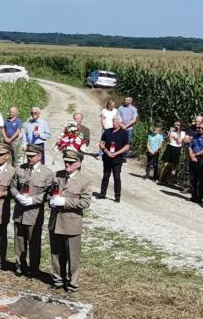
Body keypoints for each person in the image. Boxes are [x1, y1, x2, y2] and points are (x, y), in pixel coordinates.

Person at [49, 149, 96, 292]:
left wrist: (65, 201)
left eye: (71, 162)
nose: (67, 164)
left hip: (71, 222)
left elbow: (85, 203)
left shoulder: (85, 181)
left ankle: (72, 283)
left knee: (72, 255)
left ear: (79, 163)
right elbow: (50, 193)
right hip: (56, 221)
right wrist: (51, 200)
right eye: (66, 161)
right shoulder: (58, 175)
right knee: (56, 253)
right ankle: (58, 280)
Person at [11, 144, 54, 278]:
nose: (29, 158)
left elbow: (50, 193)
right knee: (19, 241)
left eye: (32, 156)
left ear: (39, 156)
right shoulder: (20, 169)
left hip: (34, 214)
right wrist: (17, 196)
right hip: (19, 212)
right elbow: (12, 186)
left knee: (34, 242)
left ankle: (33, 269)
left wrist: (34, 200)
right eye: (28, 156)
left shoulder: (47, 173)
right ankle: (20, 266)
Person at [96, 116, 130, 202]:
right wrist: (106, 151)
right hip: (107, 157)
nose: (114, 123)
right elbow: (101, 143)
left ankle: (117, 196)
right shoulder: (107, 131)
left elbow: (127, 146)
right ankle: (102, 193)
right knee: (105, 176)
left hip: (118, 158)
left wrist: (116, 153)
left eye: (116, 121)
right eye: (113, 121)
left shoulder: (124, 133)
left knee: (117, 177)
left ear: (120, 122)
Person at [159, 121, 185, 185]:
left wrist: (177, 134)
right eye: (175, 125)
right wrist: (170, 134)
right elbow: (170, 141)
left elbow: (179, 142)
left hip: (177, 149)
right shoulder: (172, 131)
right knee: (165, 164)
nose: (176, 126)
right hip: (170, 147)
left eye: (178, 125)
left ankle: (169, 180)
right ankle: (160, 179)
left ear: (180, 126)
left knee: (173, 166)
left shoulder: (183, 133)